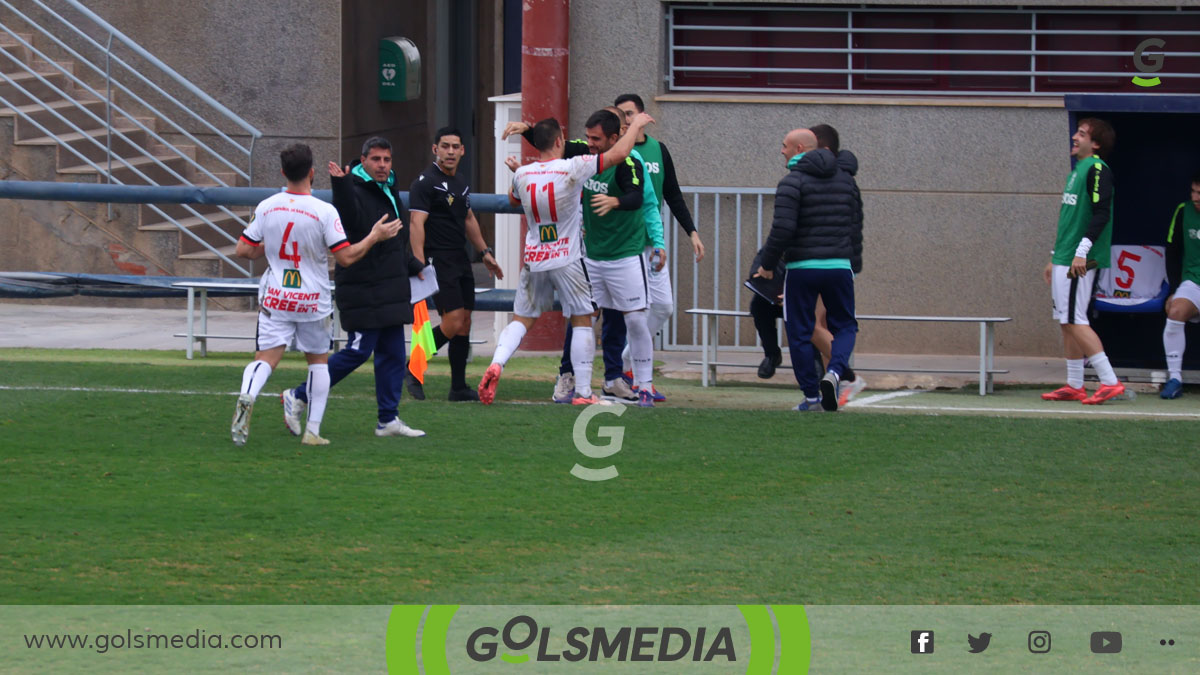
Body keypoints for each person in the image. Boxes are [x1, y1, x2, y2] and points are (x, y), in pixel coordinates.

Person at [479, 111, 655, 405]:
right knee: (583, 320)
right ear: (561, 141)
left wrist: (518, 171)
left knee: (522, 319)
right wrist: (635, 125)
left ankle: (497, 363)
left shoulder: (522, 173)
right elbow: (619, 154)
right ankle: (584, 392)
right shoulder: (574, 166)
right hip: (567, 258)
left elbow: (513, 199)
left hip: (534, 258)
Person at [231, 143, 401, 446]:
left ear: (284, 172)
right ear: (312, 172)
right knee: (318, 363)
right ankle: (313, 431)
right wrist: (374, 236)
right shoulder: (324, 211)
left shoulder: (268, 206)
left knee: (266, 359)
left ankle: (248, 394)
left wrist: (270, 247)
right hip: (312, 300)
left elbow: (243, 249)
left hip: (276, 296)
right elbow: (346, 257)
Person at [280, 137, 428, 439]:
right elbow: (349, 218)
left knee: (393, 355)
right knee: (358, 351)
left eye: (387, 160)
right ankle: (297, 395)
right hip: (363, 288)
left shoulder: (388, 190)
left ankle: (388, 419)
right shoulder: (353, 189)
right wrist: (342, 184)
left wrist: (414, 266)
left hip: (389, 288)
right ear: (363, 161)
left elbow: (397, 238)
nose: (383, 165)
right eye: (376, 160)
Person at [756, 128, 860, 412]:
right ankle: (836, 372)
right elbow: (855, 226)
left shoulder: (792, 181)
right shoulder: (847, 181)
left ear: (800, 148)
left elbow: (783, 228)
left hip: (801, 268)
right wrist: (853, 265)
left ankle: (811, 397)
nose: (782, 151)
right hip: (839, 266)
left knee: (799, 331)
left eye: (785, 146)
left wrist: (767, 264)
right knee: (846, 325)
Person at [406, 126, 504, 402]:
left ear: (462, 150)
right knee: (453, 320)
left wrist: (484, 251)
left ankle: (458, 388)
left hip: (460, 258)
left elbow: (468, 218)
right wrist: (419, 263)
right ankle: (413, 367)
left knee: (465, 323)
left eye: (455, 147)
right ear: (435, 149)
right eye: (445, 146)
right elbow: (416, 223)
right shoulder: (424, 182)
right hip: (438, 260)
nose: (450, 152)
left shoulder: (461, 181)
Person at [579, 108, 667, 407]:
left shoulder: (630, 162)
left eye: (596, 139)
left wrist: (615, 201)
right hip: (591, 257)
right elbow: (555, 144)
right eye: (588, 137)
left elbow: (638, 197)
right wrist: (527, 128)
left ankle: (644, 385)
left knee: (636, 321)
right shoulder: (586, 156)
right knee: (584, 320)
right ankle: (581, 387)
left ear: (614, 138)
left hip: (625, 257)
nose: (589, 143)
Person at [1041, 118, 1125, 405]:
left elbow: (1102, 213)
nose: (1075, 137)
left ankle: (1110, 381)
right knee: (1066, 322)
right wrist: (1055, 258)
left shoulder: (1097, 169)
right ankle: (1075, 384)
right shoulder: (1077, 172)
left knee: (1076, 320)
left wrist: (1081, 252)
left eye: (1082, 134)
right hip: (1066, 257)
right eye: (1076, 132)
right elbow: (1069, 221)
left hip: (1080, 259)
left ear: (1096, 143)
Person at [808, 123, 866, 406]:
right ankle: (835, 384)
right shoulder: (841, 178)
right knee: (818, 324)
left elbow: (847, 225)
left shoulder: (836, 179)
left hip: (829, 263)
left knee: (809, 324)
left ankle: (846, 376)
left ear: (825, 150)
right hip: (835, 262)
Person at [1159, 173, 1200, 399]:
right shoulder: (1183, 210)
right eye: (1193, 192)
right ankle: (1175, 378)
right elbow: (1172, 251)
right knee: (1174, 310)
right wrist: (1174, 289)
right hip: (1193, 281)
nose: (1195, 198)